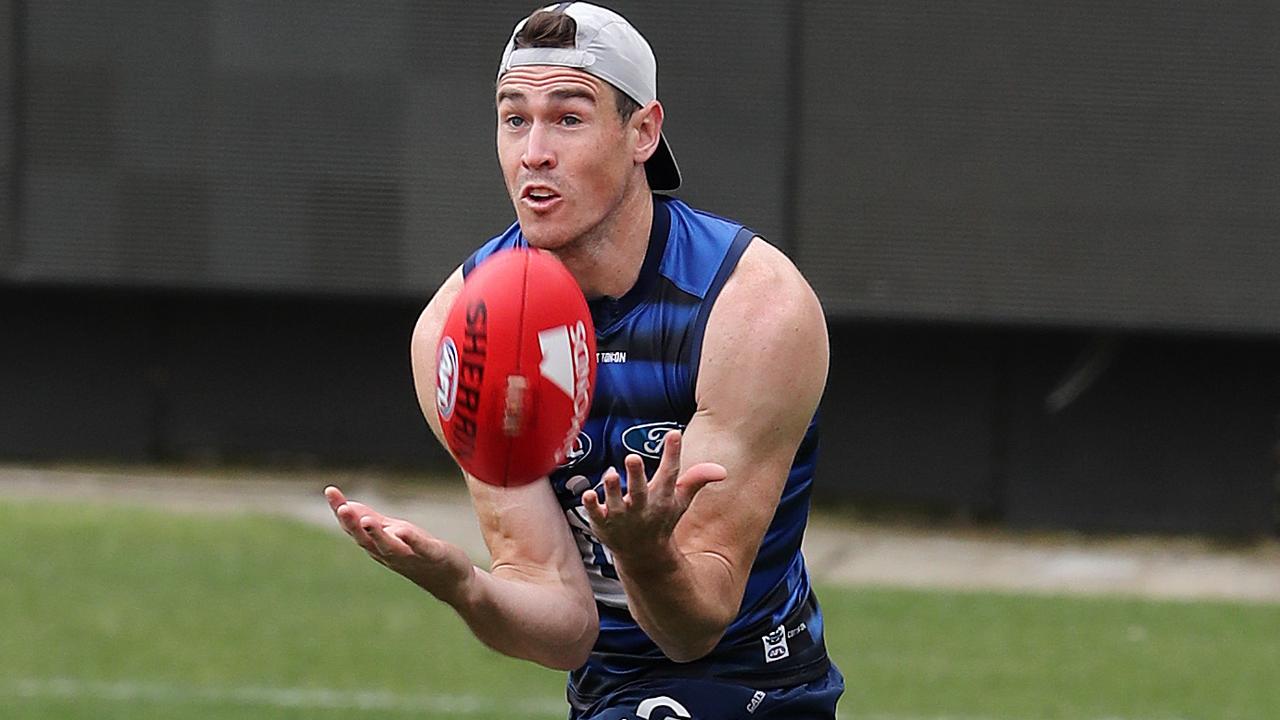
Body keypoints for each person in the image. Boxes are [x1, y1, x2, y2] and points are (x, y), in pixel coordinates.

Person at [324, 3, 841, 717]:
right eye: (514, 118)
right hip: (605, 690)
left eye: (568, 118)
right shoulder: (456, 330)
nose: (534, 151)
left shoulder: (751, 308)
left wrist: (641, 549)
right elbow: (563, 628)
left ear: (642, 133)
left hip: (754, 684)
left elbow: (696, 628)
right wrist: (465, 587)